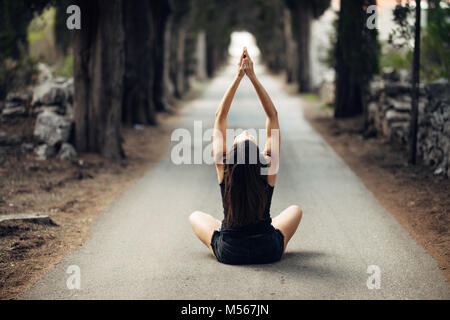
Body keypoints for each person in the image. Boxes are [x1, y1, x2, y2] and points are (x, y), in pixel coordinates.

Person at [189, 47, 302, 265]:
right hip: (268, 249)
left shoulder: (225, 169)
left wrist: (238, 77)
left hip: (231, 251)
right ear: (259, 156)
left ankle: (224, 228)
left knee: (196, 216)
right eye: (248, 137)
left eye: (242, 137)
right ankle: (246, 231)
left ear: (231, 155)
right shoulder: (267, 169)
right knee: (295, 210)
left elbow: (220, 116)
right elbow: (272, 115)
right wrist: (253, 76)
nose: (246, 132)